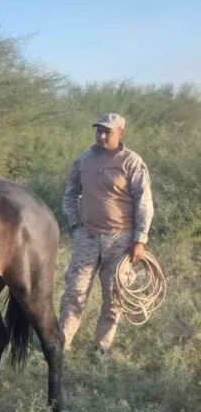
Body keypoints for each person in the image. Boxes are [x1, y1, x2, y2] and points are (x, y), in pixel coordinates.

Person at [59, 113, 154, 357]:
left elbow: (143, 201)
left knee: (114, 297)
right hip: (87, 237)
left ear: (120, 134)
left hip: (120, 239)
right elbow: (70, 193)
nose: (102, 135)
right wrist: (75, 224)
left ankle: (101, 348)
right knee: (74, 292)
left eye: (107, 131)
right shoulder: (84, 160)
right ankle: (61, 345)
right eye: (99, 130)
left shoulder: (131, 162)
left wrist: (139, 239)